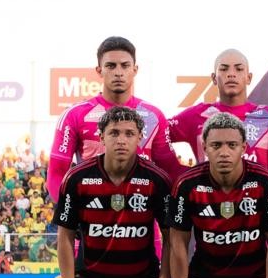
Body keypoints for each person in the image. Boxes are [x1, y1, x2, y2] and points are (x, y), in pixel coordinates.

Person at [54, 106, 173, 278]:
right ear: (101, 137)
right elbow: (64, 238)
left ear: (140, 137)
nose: (121, 140)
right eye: (114, 133)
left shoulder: (157, 179)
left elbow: (171, 240)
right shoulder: (76, 178)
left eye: (129, 134)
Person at [167, 113, 268, 278]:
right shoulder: (186, 184)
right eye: (216, 145)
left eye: (232, 145)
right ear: (205, 147)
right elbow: (177, 244)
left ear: (244, 147)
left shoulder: (265, 182)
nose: (224, 152)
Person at [48, 36, 183, 199]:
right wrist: (67, 211)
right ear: (99, 70)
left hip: (142, 211)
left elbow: (170, 170)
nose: (118, 72)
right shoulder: (74, 115)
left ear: (135, 69)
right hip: (90, 212)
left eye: (125, 66)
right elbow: (56, 173)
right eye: (111, 66)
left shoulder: (154, 116)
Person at [169, 48, 268, 171]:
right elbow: (159, 135)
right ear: (214, 78)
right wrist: (181, 174)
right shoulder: (195, 115)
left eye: (239, 69)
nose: (231, 74)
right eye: (224, 69)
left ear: (249, 77)